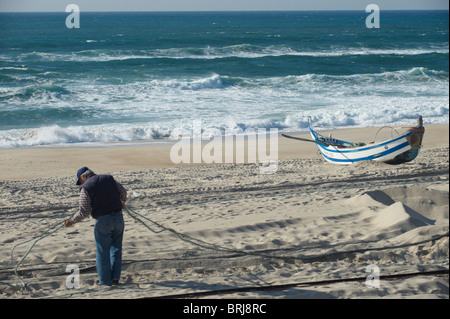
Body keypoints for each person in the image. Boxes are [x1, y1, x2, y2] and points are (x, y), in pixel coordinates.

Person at [64, 167, 127, 286]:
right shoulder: (108, 178)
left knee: (102, 252)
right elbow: (123, 192)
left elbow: (84, 211)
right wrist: (122, 202)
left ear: (83, 177)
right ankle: (115, 279)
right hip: (118, 218)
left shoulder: (86, 188)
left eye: (80, 181)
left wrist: (71, 221)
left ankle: (104, 281)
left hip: (103, 221)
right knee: (116, 249)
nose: (81, 184)